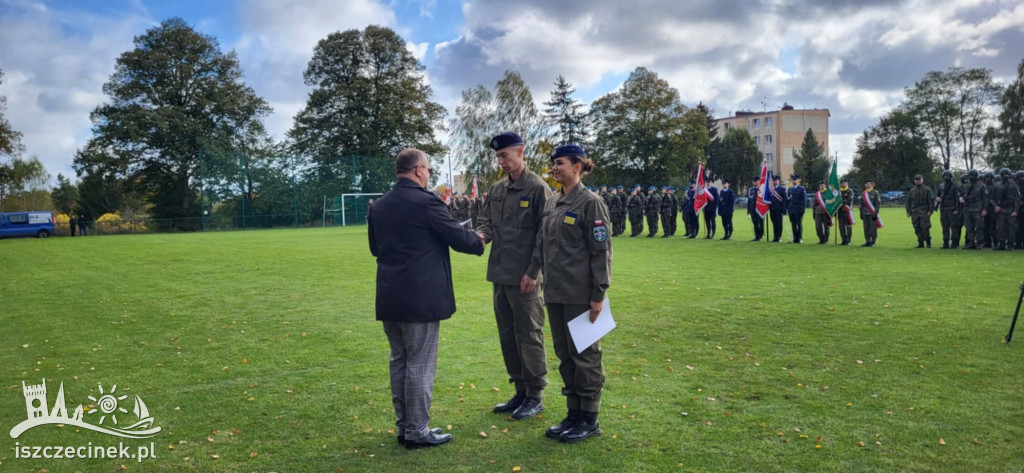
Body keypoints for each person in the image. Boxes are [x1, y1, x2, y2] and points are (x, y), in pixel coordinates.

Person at [367, 148, 485, 450]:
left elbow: (375, 249)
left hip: (390, 296)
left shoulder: (378, 206)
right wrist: (479, 240)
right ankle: (417, 431)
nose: (430, 174)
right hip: (419, 299)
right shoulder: (426, 202)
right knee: (419, 363)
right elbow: (458, 238)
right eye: (429, 169)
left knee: (399, 361)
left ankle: (405, 426)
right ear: (419, 170)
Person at [534, 144, 612, 444]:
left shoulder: (591, 203)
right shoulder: (554, 202)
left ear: (577, 166)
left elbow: (601, 251)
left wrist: (598, 294)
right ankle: (574, 412)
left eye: (560, 163)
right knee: (565, 355)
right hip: (555, 292)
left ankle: (589, 417)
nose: (554, 168)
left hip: (581, 294)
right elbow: (545, 247)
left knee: (586, 356)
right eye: (553, 163)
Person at [475, 132, 550, 420]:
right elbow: (485, 221)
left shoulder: (537, 188)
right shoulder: (497, 190)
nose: (501, 161)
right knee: (508, 336)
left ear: (520, 152)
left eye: (504, 155)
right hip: (500, 275)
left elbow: (544, 236)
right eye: (498, 156)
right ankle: (519, 389)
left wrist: (533, 271)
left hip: (526, 278)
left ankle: (535, 394)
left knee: (529, 335)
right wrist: (480, 236)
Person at [992, 168, 1020, 251]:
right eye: (1004, 174)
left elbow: (1016, 199)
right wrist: (995, 206)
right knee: (1000, 228)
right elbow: (991, 198)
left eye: (1007, 174)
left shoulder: (1014, 185)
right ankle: (1001, 244)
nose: (1006, 176)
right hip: (1001, 209)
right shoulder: (997, 186)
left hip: (1011, 209)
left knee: (1011, 228)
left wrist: (1015, 211)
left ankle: (1011, 245)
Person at [960, 169, 988, 250]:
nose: (972, 177)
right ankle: (970, 242)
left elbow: (985, 199)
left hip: (978, 209)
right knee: (969, 227)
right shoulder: (965, 186)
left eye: (973, 175)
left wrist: (985, 209)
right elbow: (961, 195)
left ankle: (979, 243)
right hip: (967, 209)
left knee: (979, 227)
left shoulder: (982, 186)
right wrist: (961, 198)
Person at [906, 174, 935, 248]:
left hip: (924, 211)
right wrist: (908, 212)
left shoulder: (927, 189)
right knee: (916, 227)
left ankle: (928, 242)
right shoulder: (912, 190)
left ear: (922, 180)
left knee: (925, 227)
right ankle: (920, 242)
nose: (918, 181)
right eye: (916, 180)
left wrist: (930, 211)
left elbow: (931, 201)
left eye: (919, 179)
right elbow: (908, 202)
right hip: (915, 212)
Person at [935, 170, 960, 249]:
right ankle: (945, 242)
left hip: (952, 209)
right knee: (945, 227)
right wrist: (937, 200)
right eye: (945, 176)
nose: (946, 177)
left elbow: (957, 198)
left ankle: (954, 243)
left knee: (954, 227)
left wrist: (957, 209)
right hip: (943, 209)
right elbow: (938, 196)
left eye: (947, 176)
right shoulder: (941, 186)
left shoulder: (954, 186)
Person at [860, 179, 882, 247]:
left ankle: (873, 241)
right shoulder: (863, 193)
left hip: (872, 213)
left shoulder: (875, 193)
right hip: (865, 213)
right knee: (866, 228)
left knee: (873, 228)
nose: (867, 185)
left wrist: (875, 213)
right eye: (866, 184)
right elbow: (861, 204)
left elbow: (877, 204)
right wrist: (861, 213)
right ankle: (867, 241)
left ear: (872, 184)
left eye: (868, 184)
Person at [787, 174, 806, 243]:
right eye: (793, 180)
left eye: (795, 180)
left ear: (798, 180)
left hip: (798, 208)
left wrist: (802, 210)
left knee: (799, 224)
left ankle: (799, 238)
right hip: (791, 209)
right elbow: (788, 200)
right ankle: (795, 237)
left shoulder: (801, 189)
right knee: (793, 224)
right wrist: (787, 209)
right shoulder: (790, 189)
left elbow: (803, 200)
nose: (794, 181)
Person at [768, 175, 788, 242]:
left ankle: (779, 237)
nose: (774, 182)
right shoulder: (771, 189)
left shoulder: (782, 189)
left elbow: (785, 200)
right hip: (772, 209)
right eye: (773, 180)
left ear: (778, 181)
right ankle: (775, 237)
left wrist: (784, 209)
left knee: (779, 223)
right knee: (774, 223)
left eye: (775, 180)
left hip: (779, 209)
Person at [982, 172, 997, 248]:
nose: (988, 179)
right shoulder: (983, 187)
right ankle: (987, 242)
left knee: (993, 227)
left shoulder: (995, 187)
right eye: (987, 178)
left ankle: (995, 242)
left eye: (989, 178)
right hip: (985, 208)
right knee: (985, 227)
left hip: (992, 209)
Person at [748, 176, 764, 241]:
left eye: (756, 181)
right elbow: (749, 200)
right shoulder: (751, 189)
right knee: (755, 222)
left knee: (760, 222)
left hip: (760, 207)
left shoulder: (761, 189)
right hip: (753, 208)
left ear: (758, 181)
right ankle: (756, 236)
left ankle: (761, 236)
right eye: (754, 181)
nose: (754, 182)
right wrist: (748, 210)